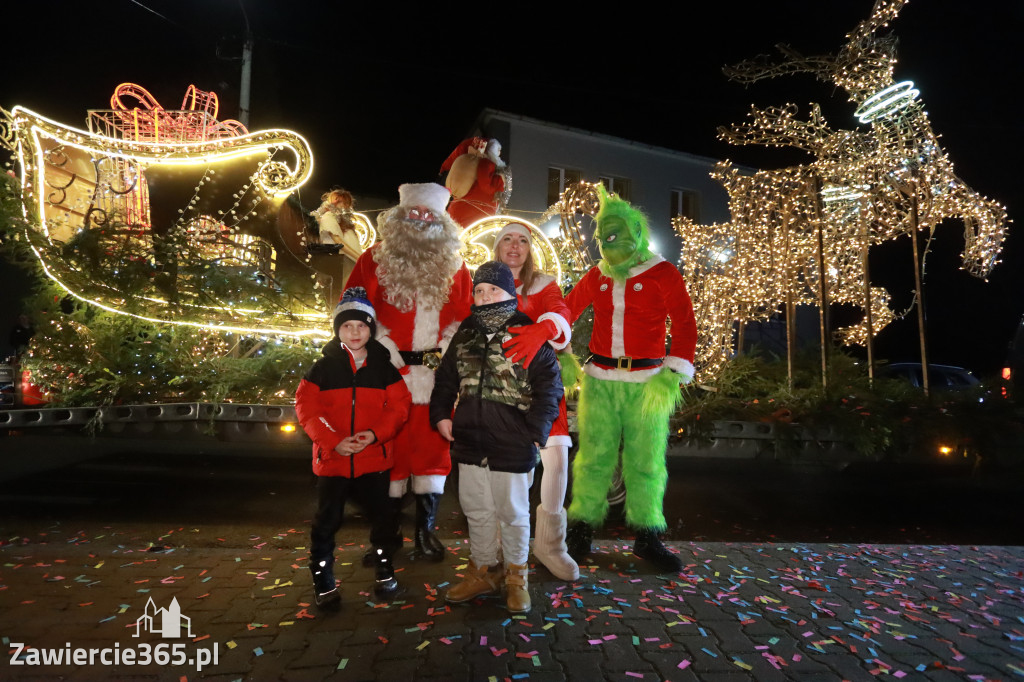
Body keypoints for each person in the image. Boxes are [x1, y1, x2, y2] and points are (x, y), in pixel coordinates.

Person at [563, 186, 697, 573]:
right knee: (592, 458)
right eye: (604, 233)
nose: (610, 241)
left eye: (618, 232)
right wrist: (560, 350)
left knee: (646, 461)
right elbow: (565, 312)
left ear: (636, 233)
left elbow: (686, 326)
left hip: (648, 383)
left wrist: (673, 373)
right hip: (600, 379)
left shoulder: (663, 273)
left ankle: (647, 534)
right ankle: (582, 529)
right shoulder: (597, 275)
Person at [345, 183, 474, 562]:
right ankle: (385, 536)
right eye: (413, 213)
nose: (420, 220)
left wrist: (448, 356)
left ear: (441, 221)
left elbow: (465, 318)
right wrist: (381, 348)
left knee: (433, 451)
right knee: (388, 452)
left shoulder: (456, 265)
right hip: (387, 373)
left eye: (428, 214)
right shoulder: (374, 259)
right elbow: (353, 307)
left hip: (436, 377)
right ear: (399, 217)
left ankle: (424, 533)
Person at [430, 261, 562, 613]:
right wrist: (441, 413)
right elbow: (445, 378)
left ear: (511, 294)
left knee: (514, 512)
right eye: (480, 290)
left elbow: (550, 386)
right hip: (470, 440)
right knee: (477, 509)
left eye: (494, 290)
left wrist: (536, 431)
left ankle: (517, 576)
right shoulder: (466, 333)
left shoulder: (526, 332)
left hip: (512, 442)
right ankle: (484, 569)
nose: (486, 296)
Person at [295, 287, 412, 608]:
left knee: (383, 520)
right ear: (338, 330)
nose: (355, 332)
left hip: (374, 460)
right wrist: (334, 441)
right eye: (347, 326)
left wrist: (374, 434)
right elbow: (307, 410)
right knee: (326, 523)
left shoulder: (383, 367)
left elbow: (400, 406)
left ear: (371, 329)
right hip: (334, 461)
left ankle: (385, 573)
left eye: (361, 325)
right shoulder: (322, 368)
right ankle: (323, 582)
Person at [492, 223, 578, 581]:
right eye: (508, 239)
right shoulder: (484, 282)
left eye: (523, 240)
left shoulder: (542, 284)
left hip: (542, 381)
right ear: (497, 247)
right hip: (500, 385)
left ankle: (550, 545)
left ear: (530, 249)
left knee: (556, 459)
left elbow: (561, 312)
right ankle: (505, 539)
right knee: (514, 467)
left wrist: (542, 330)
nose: (515, 246)